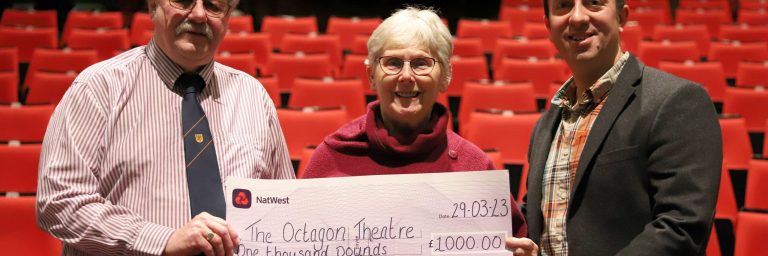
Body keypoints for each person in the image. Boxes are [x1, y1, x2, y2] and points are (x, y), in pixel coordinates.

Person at [35, 0, 295, 255]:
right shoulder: (98, 88)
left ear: (228, 16)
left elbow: (285, 207)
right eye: (183, 1)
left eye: (214, 6)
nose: (199, 15)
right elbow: (59, 202)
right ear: (152, 7)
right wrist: (163, 241)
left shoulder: (253, 97)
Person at [506, 0, 723, 254]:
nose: (577, 17)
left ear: (621, 17)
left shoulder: (677, 101)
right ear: (548, 26)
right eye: (563, 5)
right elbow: (538, 220)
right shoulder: (545, 125)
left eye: (594, 3)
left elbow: (682, 226)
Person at [300, 6, 527, 239]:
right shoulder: (331, 157)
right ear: (371, 75)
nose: (406, 76)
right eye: (393, 63)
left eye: (421, 63)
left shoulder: (475, 167)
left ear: (446, 76)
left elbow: (512, 242)